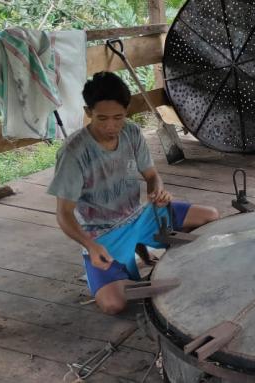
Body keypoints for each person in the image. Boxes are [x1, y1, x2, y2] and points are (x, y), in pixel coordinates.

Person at [47, 72, 219, 315]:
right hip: (102, 235)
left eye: (118, 117)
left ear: (127, 111)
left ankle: (170, 266)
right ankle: (118, 273)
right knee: (113, 304)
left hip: (140, 217)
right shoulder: (74, 152)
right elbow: (64, 214)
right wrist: (90, 245)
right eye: (102, 118)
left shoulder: (132, 133)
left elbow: (151, 176)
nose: (111, 126)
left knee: (210, 216)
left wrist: (157, 193)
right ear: (88, 112)